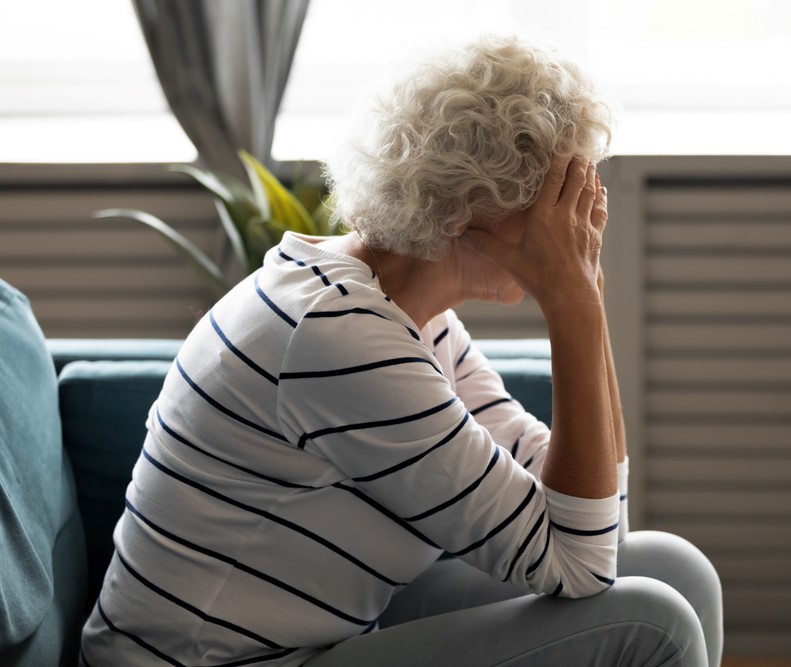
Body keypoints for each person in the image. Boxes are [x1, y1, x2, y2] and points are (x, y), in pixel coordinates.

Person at [80, 35, 722, 666]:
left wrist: (588, 290)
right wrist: (573, 304)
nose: (580, 222)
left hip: (337, 632)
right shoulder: (337, 336)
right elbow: (577, 560)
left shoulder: (405, 315)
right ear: (483, 207)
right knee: (654, 623)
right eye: (563, 194)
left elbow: (600, 525)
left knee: (674, 568)